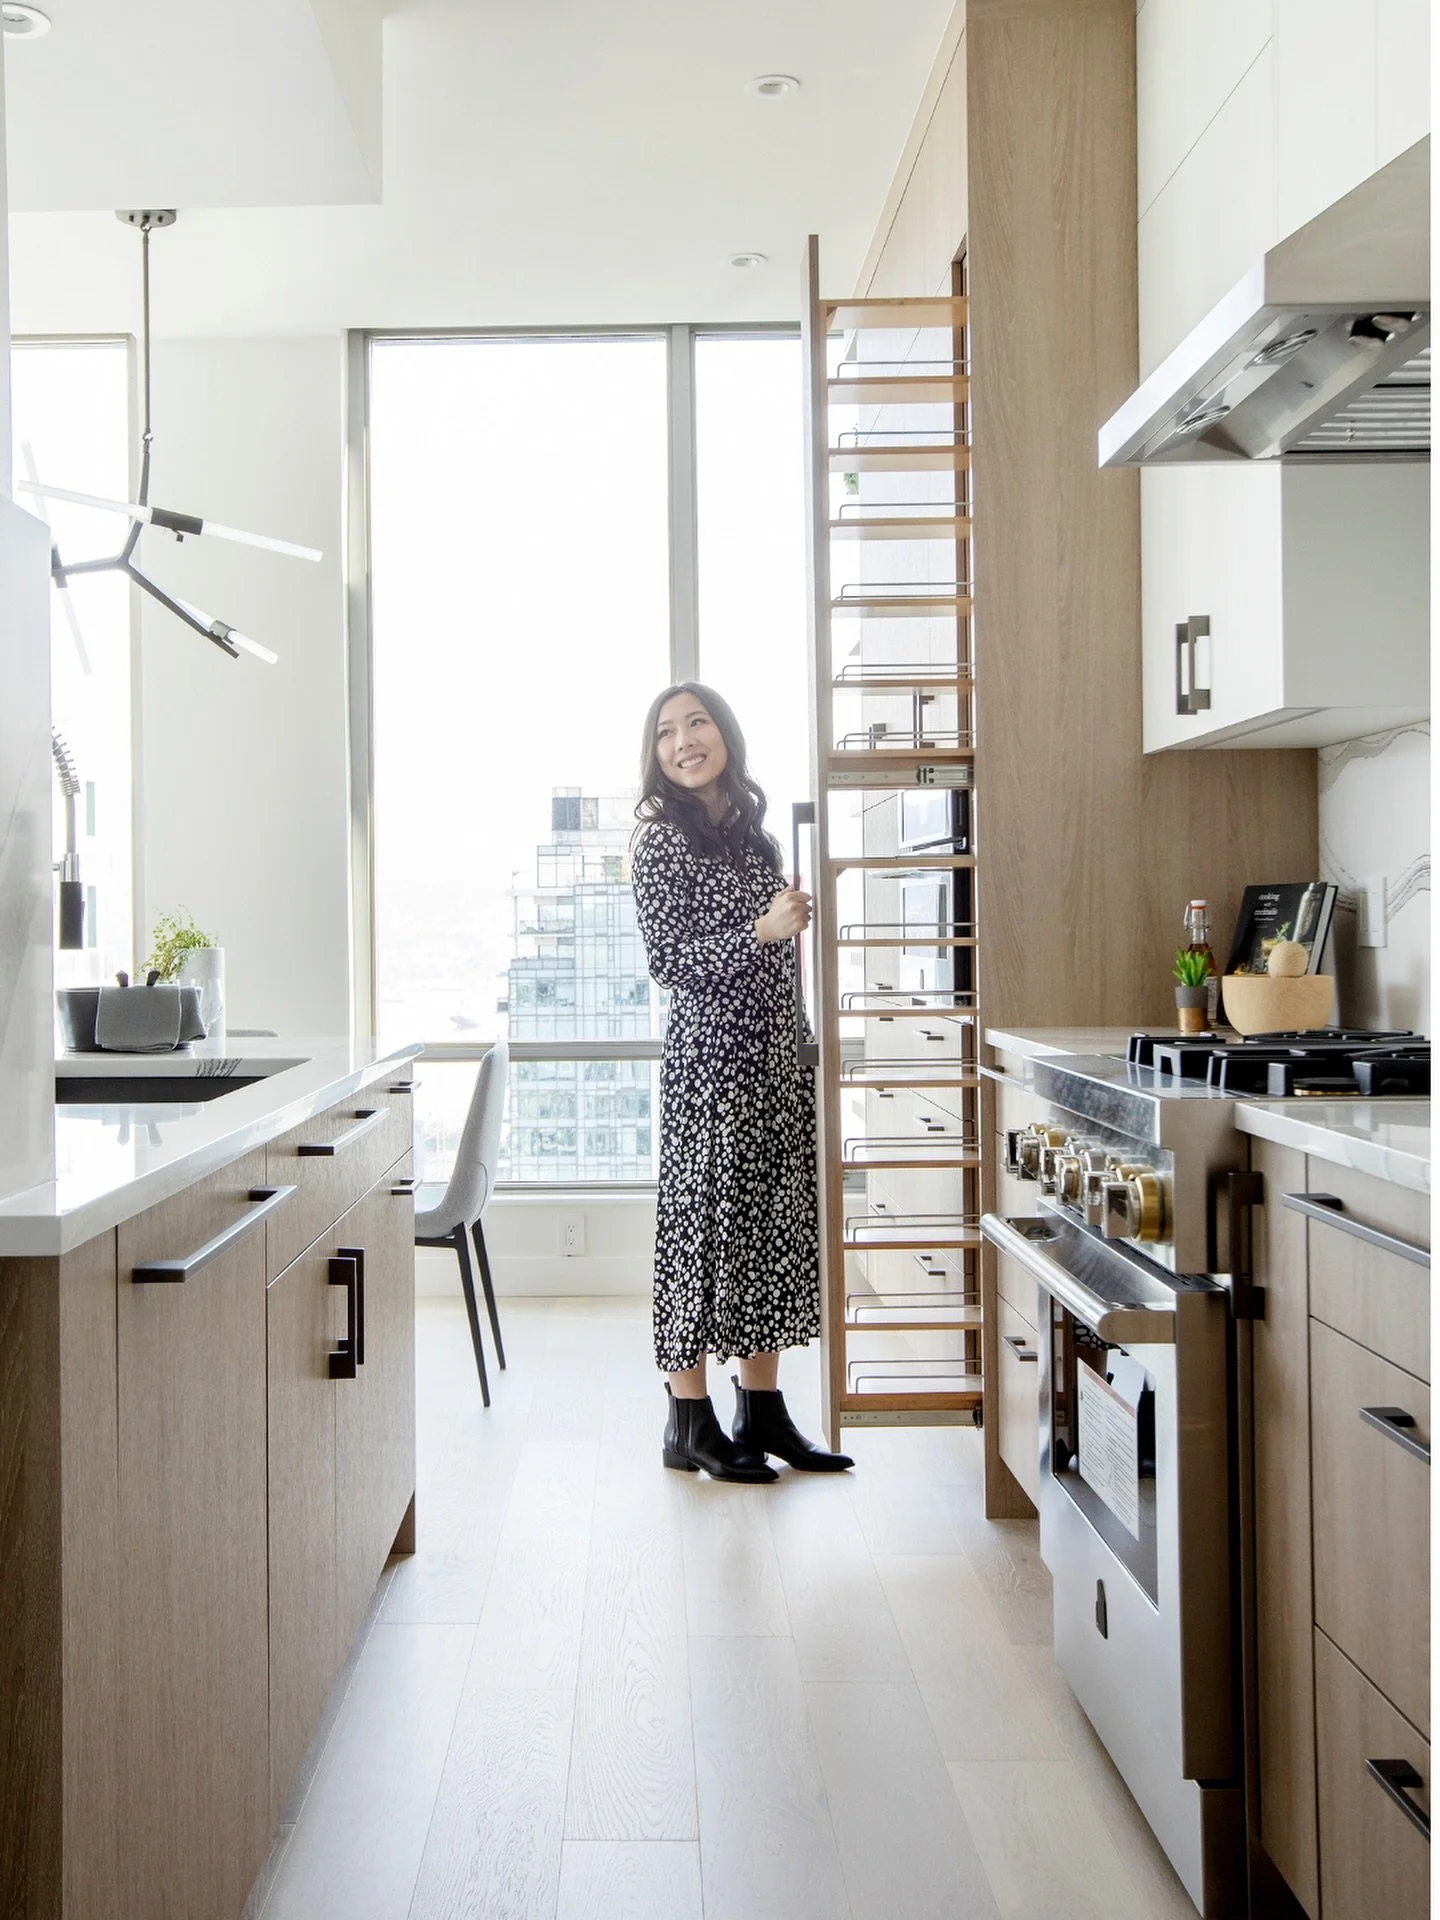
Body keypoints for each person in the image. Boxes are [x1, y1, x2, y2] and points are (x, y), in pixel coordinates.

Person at [629, 682, 853, 1481]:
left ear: (725, 733)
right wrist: (760, 930)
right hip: (709, 1073)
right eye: (666, 733)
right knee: (699, 1235)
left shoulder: (752, 839)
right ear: (654, 755)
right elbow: (669, 964)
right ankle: (688, 1420)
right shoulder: (661, 841)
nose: (684, 741)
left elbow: (770, 954)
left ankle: (761, 1415)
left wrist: (787, 918)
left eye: (697, 723)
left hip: (770, 1064)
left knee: (766, 1236)